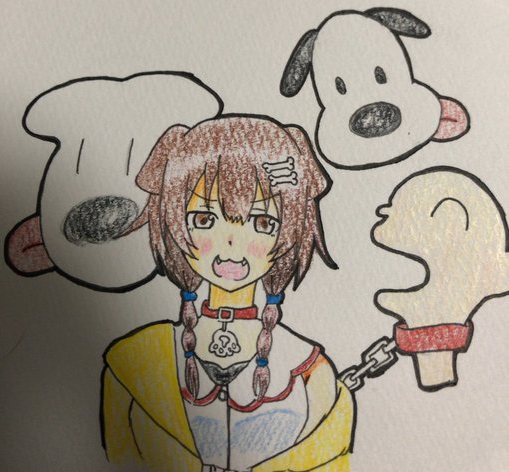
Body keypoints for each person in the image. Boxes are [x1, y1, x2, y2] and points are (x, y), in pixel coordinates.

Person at [101, 115, 354, 471]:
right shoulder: (134, 362)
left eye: (263, 223)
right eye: (204, 220)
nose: (232, 245)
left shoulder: (310, 372)